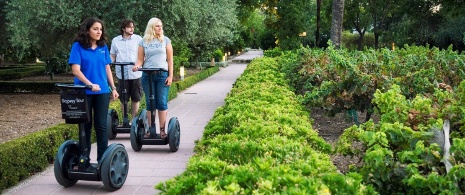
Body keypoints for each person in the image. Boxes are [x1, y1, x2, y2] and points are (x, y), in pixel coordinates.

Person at [68, 17, 119, 162]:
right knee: (85, 127)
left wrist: (113, 87)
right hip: (84, 92)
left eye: (100, 29)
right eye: (95, 29)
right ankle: (84, 159)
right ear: (87, 30)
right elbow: (76, 70)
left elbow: (107, 68)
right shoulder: (77, 46)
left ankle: (103, 160)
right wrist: (89, 84)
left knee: (101, 126)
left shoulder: (103, 47)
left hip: (102, 92)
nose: (99, 32)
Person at [132, 17, 173, 138]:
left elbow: (170, 60)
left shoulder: (165, 40)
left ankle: (162, 130)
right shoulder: (143, 41)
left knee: (161, 102)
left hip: (162, 75)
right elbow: (140, 59)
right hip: (147, 75)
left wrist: (170, 76)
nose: (160, 28)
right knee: (150, 103)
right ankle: (150, 130)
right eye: (157, 26)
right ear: (151, 27)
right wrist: (137, 66)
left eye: (161, 26)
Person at [110, 19, 143, 120]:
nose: (132, 29)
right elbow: (112, 55)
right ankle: (125, 119)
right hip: (122, 74)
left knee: (136, 98)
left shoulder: (138, 39)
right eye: (129, 27)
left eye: (133, 27)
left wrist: (138, 65)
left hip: (135, 73)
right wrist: (108, 64)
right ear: (123, 28)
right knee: (123, 98)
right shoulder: (116, 41)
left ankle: (134, 120)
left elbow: (142, 55)